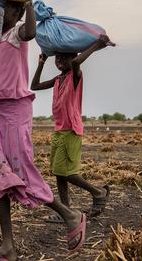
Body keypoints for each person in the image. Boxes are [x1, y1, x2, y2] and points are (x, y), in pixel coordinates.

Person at [0, 0, 87, 260]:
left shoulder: (18, 35)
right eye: (0, 10)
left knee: (22, 172)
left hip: (17, 112)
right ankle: (8, 246)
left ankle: (70, 215)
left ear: (16, 11)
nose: (2, 14)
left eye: (8, 9)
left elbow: (32, 32)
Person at [31, 35, 113, 222]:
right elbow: (34, 85)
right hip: (60, 130)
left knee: (68, 173)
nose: (60, 61)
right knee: (58, 172)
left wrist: (96, 46)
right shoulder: (58, 79)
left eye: (64, 57)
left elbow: (76, 62)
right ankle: (65, 211)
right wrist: (41, 63)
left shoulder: (75, 76)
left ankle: (98, 192)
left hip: (71, 130)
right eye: (58, 58)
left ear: (72, 57)